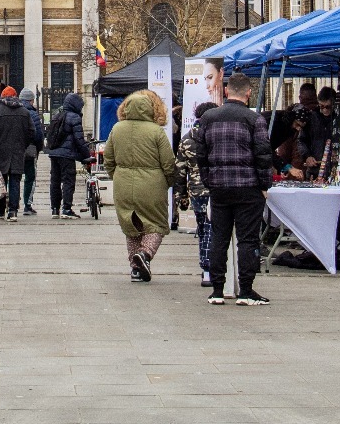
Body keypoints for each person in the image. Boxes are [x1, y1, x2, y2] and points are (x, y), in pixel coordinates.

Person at [192, 71, 273, 306]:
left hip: (219, 187)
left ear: (226, 91)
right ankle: (246, 290)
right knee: (247, 240)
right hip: (248, 187)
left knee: (219, 237)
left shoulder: (208, 118)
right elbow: (263, 155)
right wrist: (264, 185)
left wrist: (208, 181)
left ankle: (217, 290)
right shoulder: (254, 119)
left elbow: (201, 155)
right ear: (249, 92)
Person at [103, 89, 178, 282]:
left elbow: (108, 159)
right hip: (152, 184)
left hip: (123, 184)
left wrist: (117, 176)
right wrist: (169, 181)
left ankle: (136, 269)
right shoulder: (156, 131)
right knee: (156, 224)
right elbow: (168, 162)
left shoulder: (117, 129)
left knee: (131, 227)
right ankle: (144, 254)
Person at [174, 102, 218, 287]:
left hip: (197, 191)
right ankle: (210, 267)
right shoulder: (217, 136)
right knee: (214, 229)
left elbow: (179, 171)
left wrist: (181, 196)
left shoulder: (187, 139)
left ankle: (206, 268)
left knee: (203, 229)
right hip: (216, 189)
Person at [0, 86, 32, 222]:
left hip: (0, 152)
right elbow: (31, 132)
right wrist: (23, 144)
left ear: (2, 97)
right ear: (16, 96)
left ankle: (0, 210)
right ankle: (13, 211)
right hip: (18, 151)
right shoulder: (24, 112)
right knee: (15, 181)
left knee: (0, 181)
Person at [46, 91, 90, 218]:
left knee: (55, 181)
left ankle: (55, 209)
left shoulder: (56, 116)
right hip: (67, 155)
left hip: (54, 154)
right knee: (68, 181)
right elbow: (79, 140)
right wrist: (86, 155)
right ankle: (66, 208)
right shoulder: (74, 117)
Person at [17, 89, 44, 215]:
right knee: (30, 177)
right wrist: (38, 148)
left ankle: (12, 204)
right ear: (31, 100)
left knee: (14, 177)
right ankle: (27, 205)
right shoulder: (33, 114)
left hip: (15, 150)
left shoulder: (15, 111)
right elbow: (38, 134)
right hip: (30, 149)